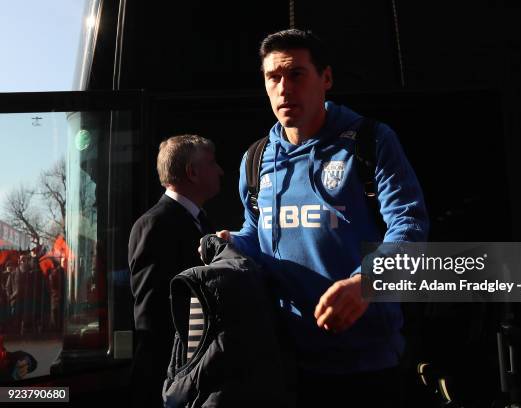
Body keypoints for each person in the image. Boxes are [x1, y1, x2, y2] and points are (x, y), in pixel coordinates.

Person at [213, 29, 428, 407]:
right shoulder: (256, 158)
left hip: (368, 367)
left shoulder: (370, 142)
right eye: (273, 77)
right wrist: (233, 242)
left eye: (297, 74)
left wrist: (366, 281)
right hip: (286, 367)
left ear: (326, 78)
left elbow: (409, 227)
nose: (284, 88)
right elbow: (256, 233)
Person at [128, 134, 223, 407]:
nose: (220, 170)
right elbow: (152, 316)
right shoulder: (156, 225)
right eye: (212, 162)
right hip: (167, 382)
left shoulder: (194, 221)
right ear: (192, 172)